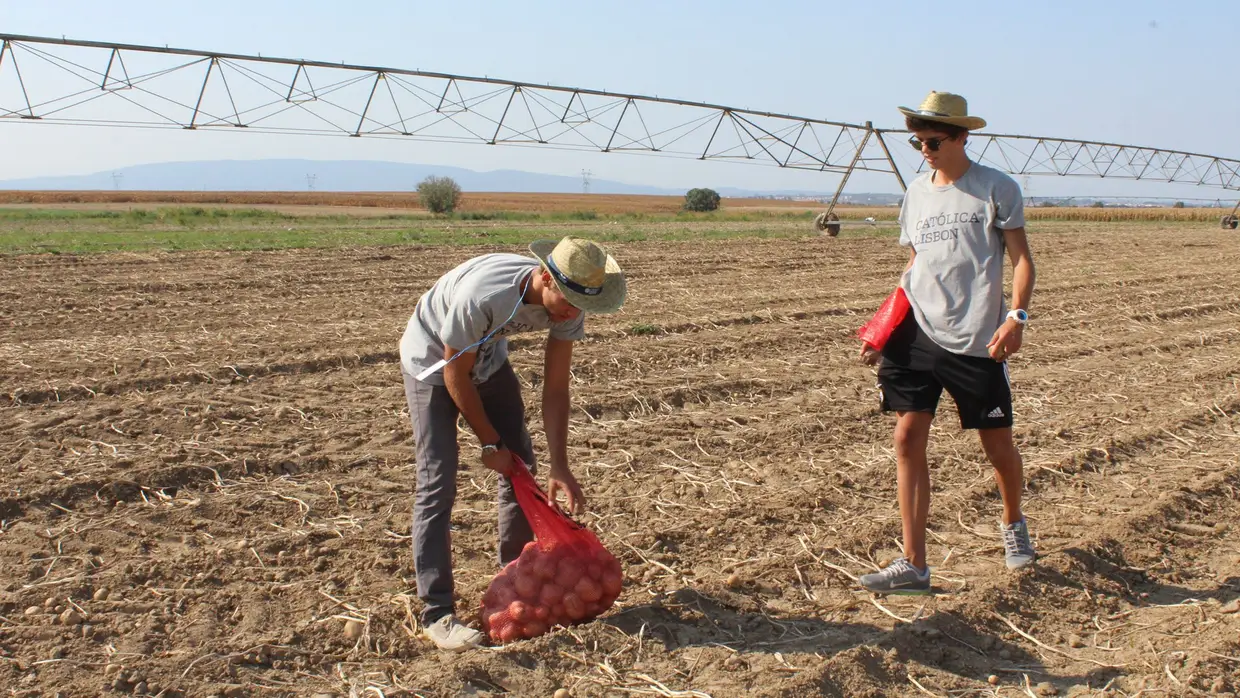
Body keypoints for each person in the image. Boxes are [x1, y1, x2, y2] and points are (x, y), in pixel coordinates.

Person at [398, 236, 626, 649]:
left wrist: (561, 464)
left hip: (486, 359)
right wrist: (489, 444)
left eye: (582, 305)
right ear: (544, 277)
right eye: (569, 301)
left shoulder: (569, 307)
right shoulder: (485, 297)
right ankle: (438, 613)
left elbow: (556, 388)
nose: (573, 313)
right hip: (433, 361)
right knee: (438, 483)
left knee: (521, 466)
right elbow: (454, 374)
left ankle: (515, 580)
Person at [857, 91, 1037, 594]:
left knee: (996, 444)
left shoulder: (996, 188)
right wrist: (883, 327)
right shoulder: (915, 193)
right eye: (918, 141)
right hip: (916, 331)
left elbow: (1021, 259)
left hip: (976, 337)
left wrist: (1017, 317)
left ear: (961, 137)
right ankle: (914, 564)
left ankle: (1013, 524)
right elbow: (915, 266)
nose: (924, 150)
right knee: (906, 438)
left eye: (933, 141)